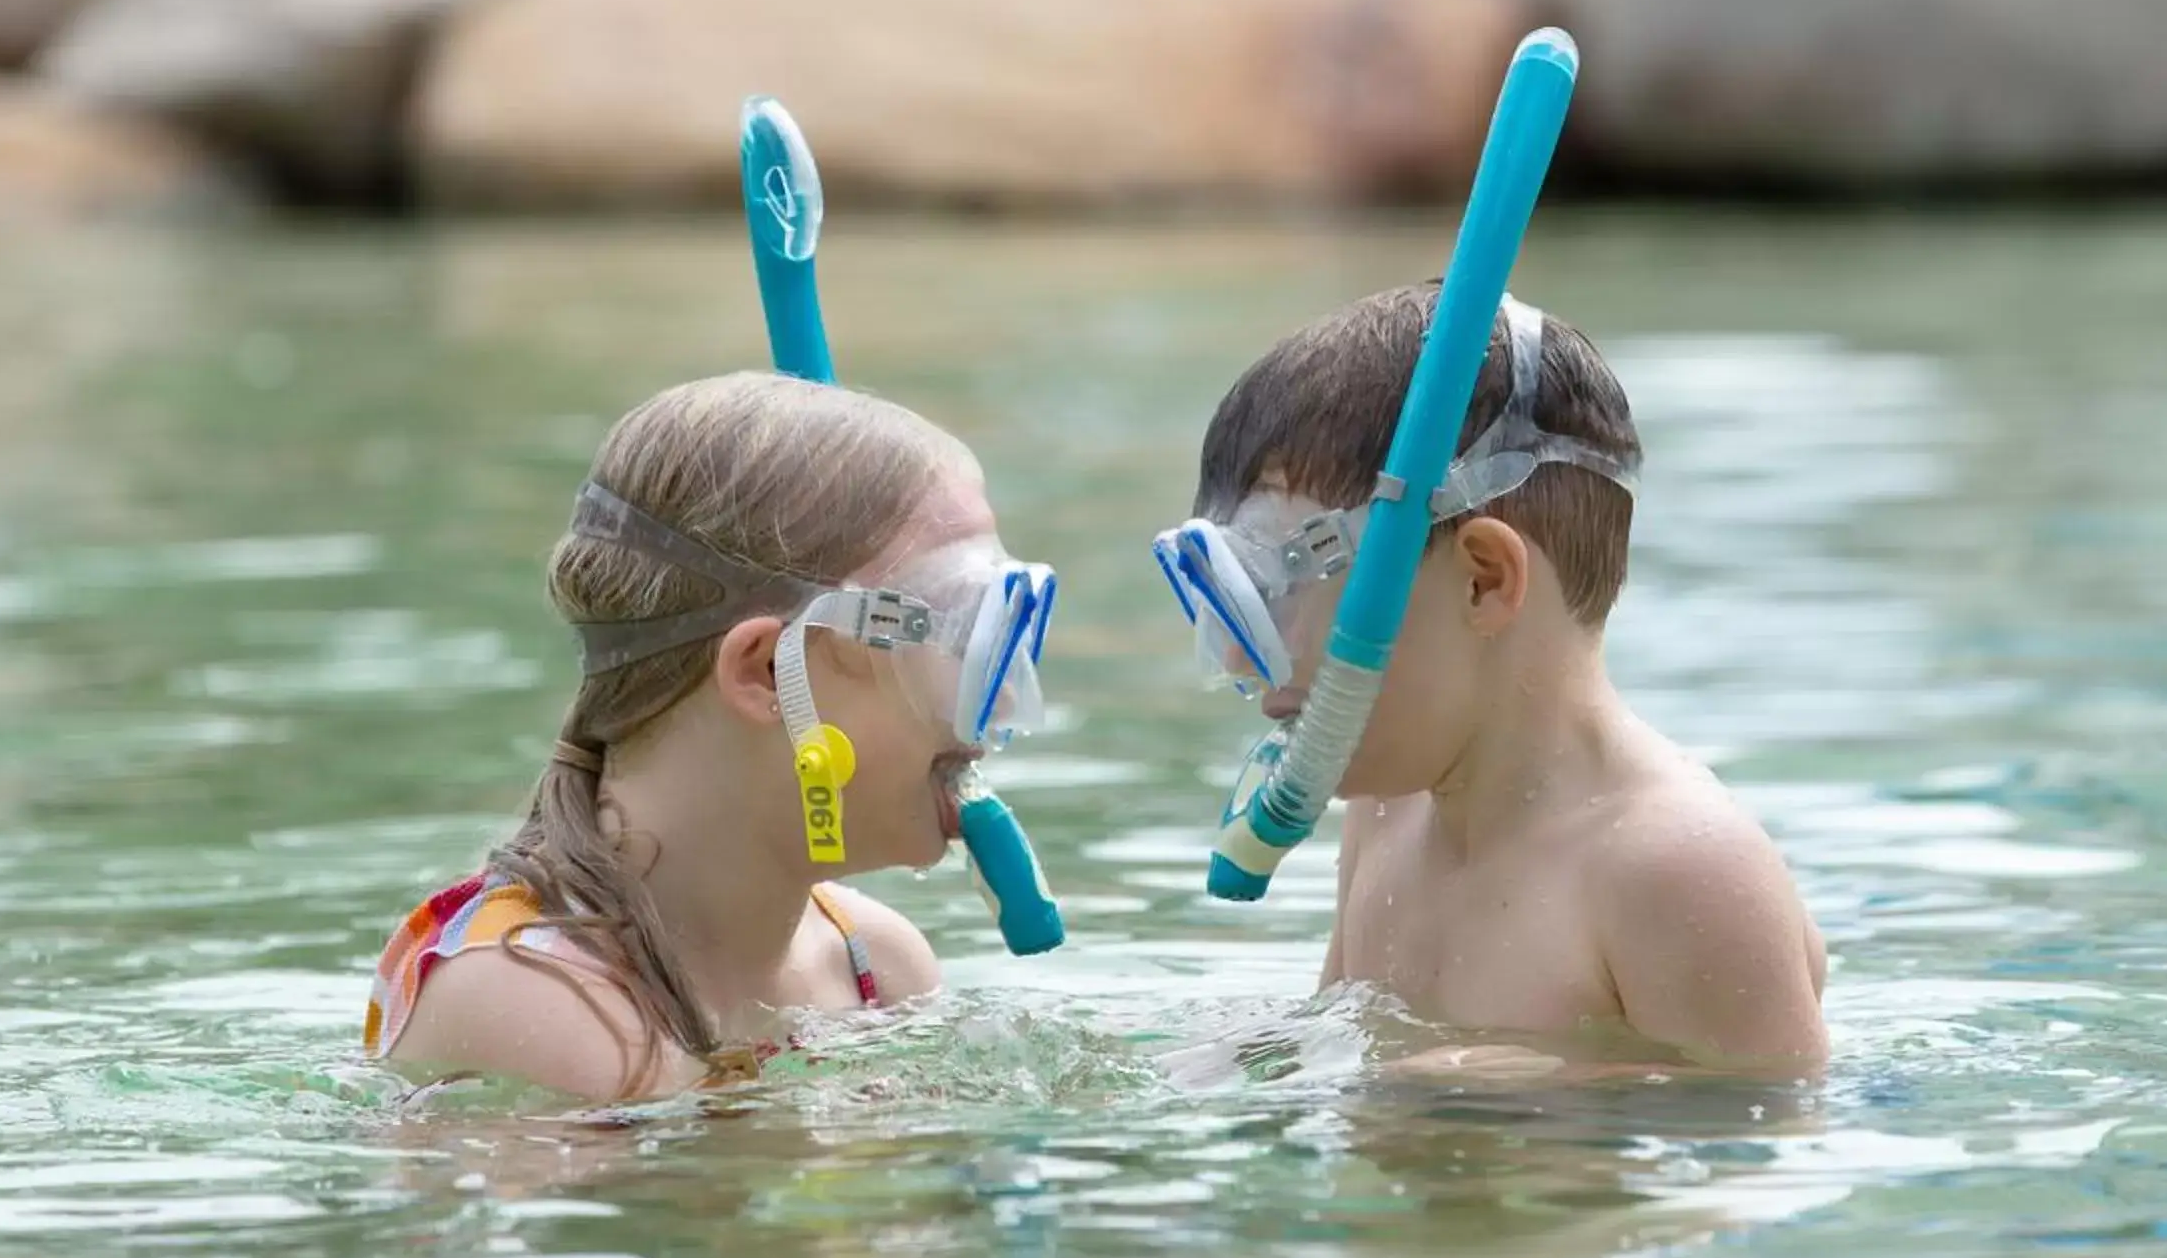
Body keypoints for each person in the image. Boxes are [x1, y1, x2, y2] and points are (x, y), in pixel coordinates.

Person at [1154, 287, 1828, 1073]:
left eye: (1278, 587)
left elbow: (1773, 1129)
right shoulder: (1385, 811)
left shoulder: (1676, 867)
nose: (1240, 657)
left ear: (1483, 580)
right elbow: (1344, 1038)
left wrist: (1510, 1084)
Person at [365, 370, 1059, 1103]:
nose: (1005, 696)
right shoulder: (530, 999)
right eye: (956, 634)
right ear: (766, 673)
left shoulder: (877, 969)